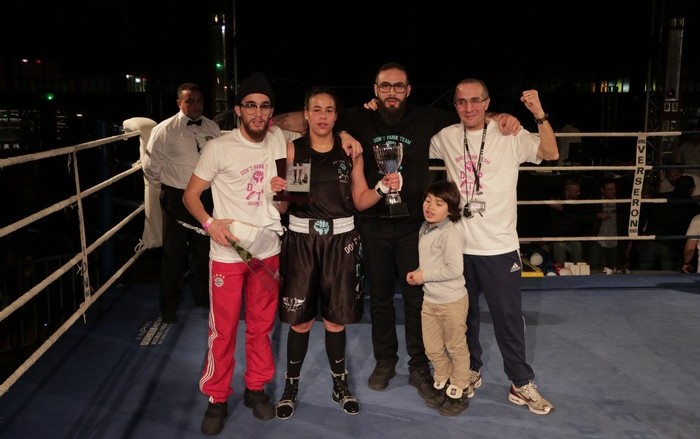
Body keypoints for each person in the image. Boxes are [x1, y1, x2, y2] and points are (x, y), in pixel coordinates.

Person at [272, 62, 520, 399]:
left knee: (418, 297)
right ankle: (385, 360)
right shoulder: (357, 118)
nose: (392, 92)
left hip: (414, 226)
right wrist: (268, 119)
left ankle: (418, 363)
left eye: (398, 86)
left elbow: (472, 117)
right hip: (371, 223)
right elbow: (307, 121)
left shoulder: (425, 117)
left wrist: (504, 118)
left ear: (408, 90)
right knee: (381, 299)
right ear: (375, 90)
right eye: (385, 86)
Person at [429, 78, 558, 415]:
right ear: (454, 105)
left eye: (475, 101)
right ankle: (471, 370)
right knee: (463, 318)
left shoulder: (509, 133)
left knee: (508, 319)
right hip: (458, 248)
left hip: (499, 249)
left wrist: (538, 114)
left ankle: (520, 382)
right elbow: (404, 141)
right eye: (461, 102)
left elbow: (550, 152)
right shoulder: (445, 138)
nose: (468, 108)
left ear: (487, 103)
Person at [182, 72, 298, 435]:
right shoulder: (219, 146)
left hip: (267, 250)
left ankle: (256, 388)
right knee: (225, 329)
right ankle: (217, 397)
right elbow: (190, 196)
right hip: (228, 253)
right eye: (250, 106)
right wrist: (208, 223)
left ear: (272, 112)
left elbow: (310, 119)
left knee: (262, 327)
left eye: (264, 107)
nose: (258, 113)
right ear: (237, 110)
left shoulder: (279, 139)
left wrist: (342, 132)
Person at [274, 89, 400, 419]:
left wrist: (383, 188)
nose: (322, 116)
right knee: (299, 323)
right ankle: (291, 386)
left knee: (335, 320)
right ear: (306, 113)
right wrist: (276, 194)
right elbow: (288, 204)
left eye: (329, 110)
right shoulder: (293, 150)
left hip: (341, 241)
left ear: (335, 115)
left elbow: (359, 200)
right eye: (316, 109)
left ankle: (340, 385)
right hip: (302, 241)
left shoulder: (350, 151)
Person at [142, 82, 222, 323]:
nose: (195, 105)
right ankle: (169, 306)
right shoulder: (165, 129)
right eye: (190, 101)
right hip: (177, 196)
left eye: (199, 100)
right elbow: (150, 167)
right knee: (173, 253)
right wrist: (170, 186)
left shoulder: (212, 126)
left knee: (205, 251)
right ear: (179, 103)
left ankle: (204, 300)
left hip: (205, 197)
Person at [406, 180, 470, 416]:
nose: (430, 206)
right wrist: (421, 275)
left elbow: (455, 269)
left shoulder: (450, 233)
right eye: (428, 200)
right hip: (430, 300)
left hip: (452, 302)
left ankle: (460, 386)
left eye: (439, 203)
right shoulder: (425, 227)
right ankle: (443, 377)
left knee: (455, 346)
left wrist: (424, 275)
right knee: (432, 348)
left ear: (451, 210)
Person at [587, 177, 630, 273]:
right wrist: (597, 215)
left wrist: (629, 242)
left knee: (614, 268)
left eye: (614, 189)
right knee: (593, 266)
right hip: (598, 240)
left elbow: (626, 223)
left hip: (614, 241)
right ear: (602, 190)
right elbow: (584, 218)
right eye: (609, 189)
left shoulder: (621, 203)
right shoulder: (594, 201)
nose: (613, 192)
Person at [548, 178, 589, 266]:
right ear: (567, 191)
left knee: (579, 265)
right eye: (575, 192)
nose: (578, 193)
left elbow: (580, 219)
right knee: (560, 265)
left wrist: (563, 209)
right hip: (559, 238)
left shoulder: (580, 203)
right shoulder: (557, 200)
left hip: (574, 238)